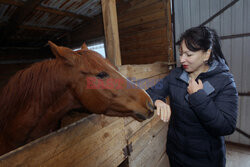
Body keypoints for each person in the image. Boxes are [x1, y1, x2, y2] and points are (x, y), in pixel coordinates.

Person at [146, 26, 238, 167]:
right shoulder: (175, 75)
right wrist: (158, 101)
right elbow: (151, 92)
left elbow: (226, 126)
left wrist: (198, 97)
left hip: (206, 160)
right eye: (181, 53)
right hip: (176, 153)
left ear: (206, 54)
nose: (182, 59)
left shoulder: (225, 82)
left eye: (189, 55)